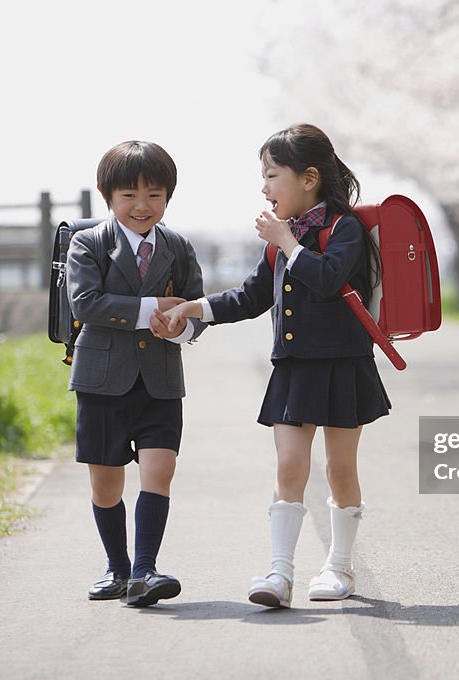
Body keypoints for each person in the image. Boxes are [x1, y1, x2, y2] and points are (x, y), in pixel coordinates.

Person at [157, 123, 389, 608]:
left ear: (308, 178)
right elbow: (249, 297)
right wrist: (192, 308)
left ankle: (339, 569)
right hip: (294, 368)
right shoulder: (280, 242)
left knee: (341, 468)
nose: (264, 188)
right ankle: (279, 573)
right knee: (288, 464)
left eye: (271, 176)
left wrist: (288, 243)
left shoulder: (342, 230)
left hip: (343, 366)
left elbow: (327, 279)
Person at [68, 140, 207, 607]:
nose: (142, 206)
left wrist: (181, 326)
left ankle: (146, 570)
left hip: (161, 380)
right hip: (103, 380)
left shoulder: (179, 246)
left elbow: (196, 310)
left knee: (159, 470)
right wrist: (153, 309)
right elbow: (85, 303)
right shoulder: (88, 243)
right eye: (129, 195)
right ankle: (118, 568)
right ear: (107, 196)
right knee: (106, 484)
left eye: (154, 194)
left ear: (168, 196)